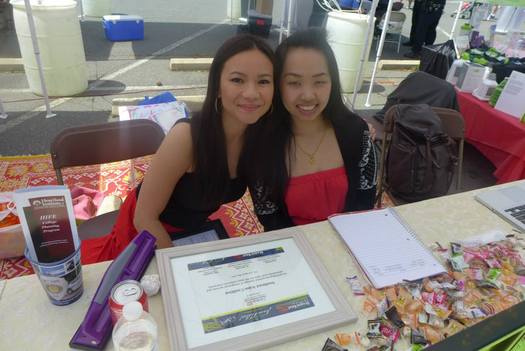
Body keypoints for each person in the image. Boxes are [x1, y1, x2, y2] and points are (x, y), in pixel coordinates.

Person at [81, 34, 275, 264]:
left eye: (263, 81)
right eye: (237, 80)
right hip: (144, 232)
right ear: (218, 87)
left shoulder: (259, 138)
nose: (252, 93)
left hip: (192, 233)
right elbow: (144, 218)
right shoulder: (187, 138)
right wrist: (180, 267)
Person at [246, 29, 377, 231]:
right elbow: (270, 218)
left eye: (319, 82)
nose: (308, 95)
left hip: (348, 238)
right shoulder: (261, 144)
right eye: (294, 83)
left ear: (332, 83)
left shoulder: (357, 132)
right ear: (278, 85)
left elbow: (364, 201)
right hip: (294, 247)